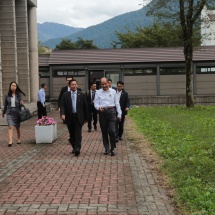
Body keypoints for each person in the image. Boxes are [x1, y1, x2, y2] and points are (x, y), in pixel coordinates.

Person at [94, 77, 121, 156]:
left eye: (105, 84)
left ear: (108, 83)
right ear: (101, 85)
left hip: (111, 111)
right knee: (104, 131)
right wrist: (99, 107)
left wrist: (119, 114)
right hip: (102, 112)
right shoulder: (98, 92)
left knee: (112, 130)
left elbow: (117, 103)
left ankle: (113, 148)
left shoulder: (113, 91)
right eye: (102, 84)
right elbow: (96, 103)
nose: (104, 85)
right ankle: (107, 148)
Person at [60, 79, 88, 156]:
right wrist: (62, 114)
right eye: (72, 84)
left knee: (78, 133)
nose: (74, 86)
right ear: (69, 86)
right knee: (71, 134)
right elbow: (62, 105)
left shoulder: (81, 95)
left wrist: (86, 118)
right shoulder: (65, 95)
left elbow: (85, 107)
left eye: (75, 84)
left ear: (77, 85)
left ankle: (77, 148)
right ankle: (74, 147)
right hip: (69, 117)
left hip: (78, 117)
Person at [2, 81, 26, 147]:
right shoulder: (7, 95)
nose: (13, 87)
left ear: (16, 87)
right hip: (9, 112)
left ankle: (18, 138)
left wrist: (21, 103)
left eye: (15, 86)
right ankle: (10, 141)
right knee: (10, 126)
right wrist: (3, 113)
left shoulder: (19, 95)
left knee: (17, 127)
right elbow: (6, 104)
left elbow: (21, 105)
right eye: (12, 85)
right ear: (10, 86)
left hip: (17, 112)